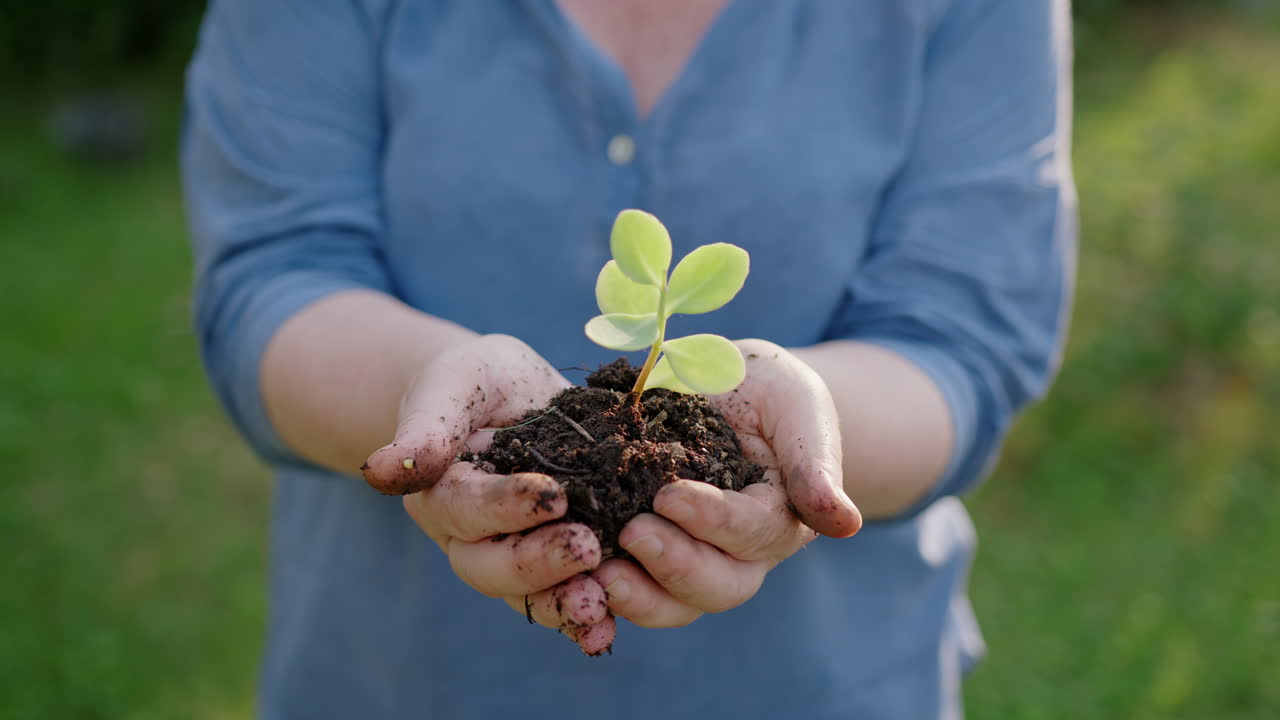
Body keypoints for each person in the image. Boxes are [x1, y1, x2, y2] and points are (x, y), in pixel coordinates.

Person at [181, 0, 1075, 717]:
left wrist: (812, 433)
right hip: (396, 677)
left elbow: (960, 339)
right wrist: (426, 404)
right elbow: (277, 273)